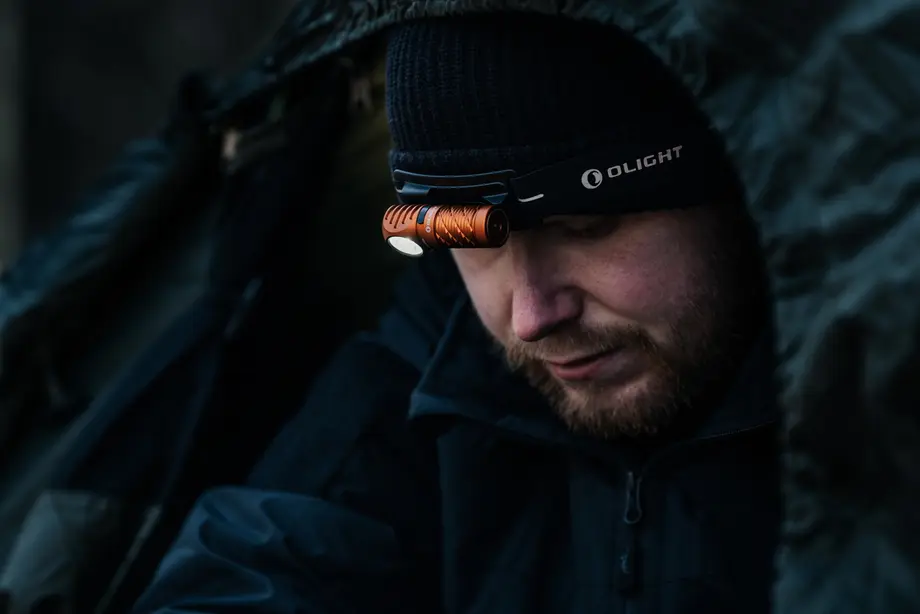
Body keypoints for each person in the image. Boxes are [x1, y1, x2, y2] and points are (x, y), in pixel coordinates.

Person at [132, 13, 779, 614]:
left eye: (586, 227)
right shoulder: (431, 363)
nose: (532, 316)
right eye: (472, 248)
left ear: (738, 187)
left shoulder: (867, 383)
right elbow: (263, 563)